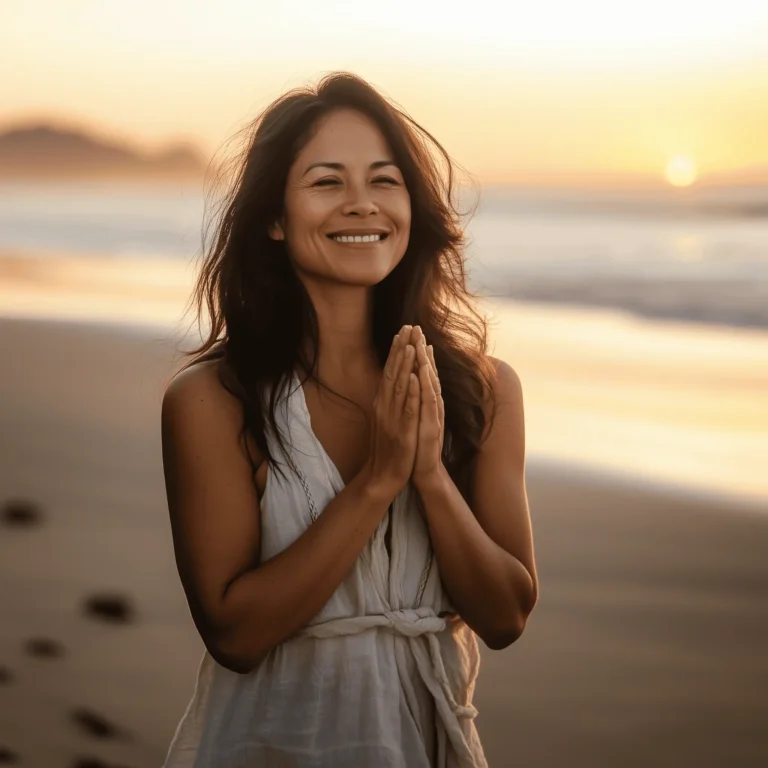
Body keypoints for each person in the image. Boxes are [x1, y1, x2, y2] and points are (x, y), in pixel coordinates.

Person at [159, 71, 538, 767]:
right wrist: (378, 480)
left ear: (412, 208)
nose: (362, 205)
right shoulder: (214, 399)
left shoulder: (486, 392)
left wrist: (428, 474)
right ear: (274, 217)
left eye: (384, 181)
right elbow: (236, 635)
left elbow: (507, 615)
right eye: (327, 182)